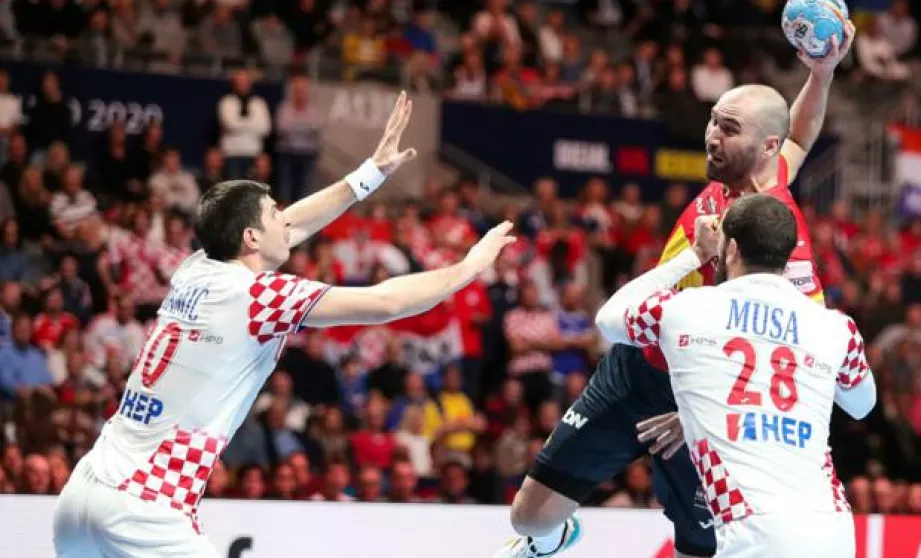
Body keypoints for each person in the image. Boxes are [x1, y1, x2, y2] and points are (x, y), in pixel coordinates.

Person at [51, 92, 516, 558]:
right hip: (145, 501)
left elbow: (293, 225)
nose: (285, 220)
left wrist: (370, 174)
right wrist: (469, 268)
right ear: (251, 237)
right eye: (274, 213)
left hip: (82, 493)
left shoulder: (196, 268)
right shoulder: (260, 296)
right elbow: (385, 302)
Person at [493, 22, 857, 558]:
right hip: (635, 369)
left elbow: (788, 352)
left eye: (728, 128)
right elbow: (800, 137)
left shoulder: (782, 239)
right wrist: (822, 73)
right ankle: (553, 542)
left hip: (701, 398)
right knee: (529, 516)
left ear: (764, 146)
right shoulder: (757, 172)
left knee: (697, 549)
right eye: (713, 121)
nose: (712, 136)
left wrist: (696, 417)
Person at [596, 195, 876, 556]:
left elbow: (608, 319)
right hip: (833, 531)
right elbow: (862, 405)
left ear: (730, 249)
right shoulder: (836, 328)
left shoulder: (685, 310)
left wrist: (693, 255)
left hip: (753, 533)